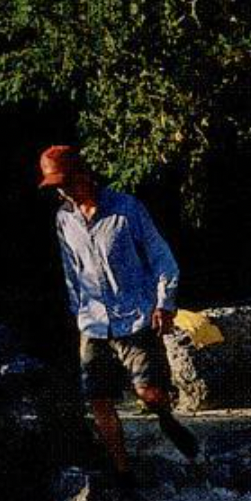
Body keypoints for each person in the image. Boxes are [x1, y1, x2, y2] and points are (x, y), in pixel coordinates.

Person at [38, 144, 199, 480]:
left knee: (149, 393)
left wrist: (164, 304)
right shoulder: (64, 219)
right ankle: (122, 471)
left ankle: (165, 418)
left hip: (135, 317)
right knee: (98, 400)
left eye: (65, 182)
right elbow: (71, 270)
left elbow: (162, 258)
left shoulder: (127, 209)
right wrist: (76, 311)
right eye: (55, 186)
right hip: (93, 323)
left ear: (83, 174)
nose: (62, 190)